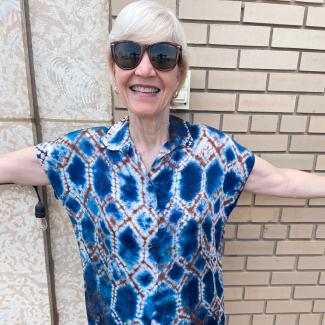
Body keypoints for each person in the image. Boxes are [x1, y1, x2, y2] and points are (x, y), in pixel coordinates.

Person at [1, 1, 325, 324]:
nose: (145, 69)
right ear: (113, 68)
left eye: (163, 56)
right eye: (128, 54)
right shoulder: (82, 156)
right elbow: (9, 167)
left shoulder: (212, 153)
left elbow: (282, 181)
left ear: (179, 72)